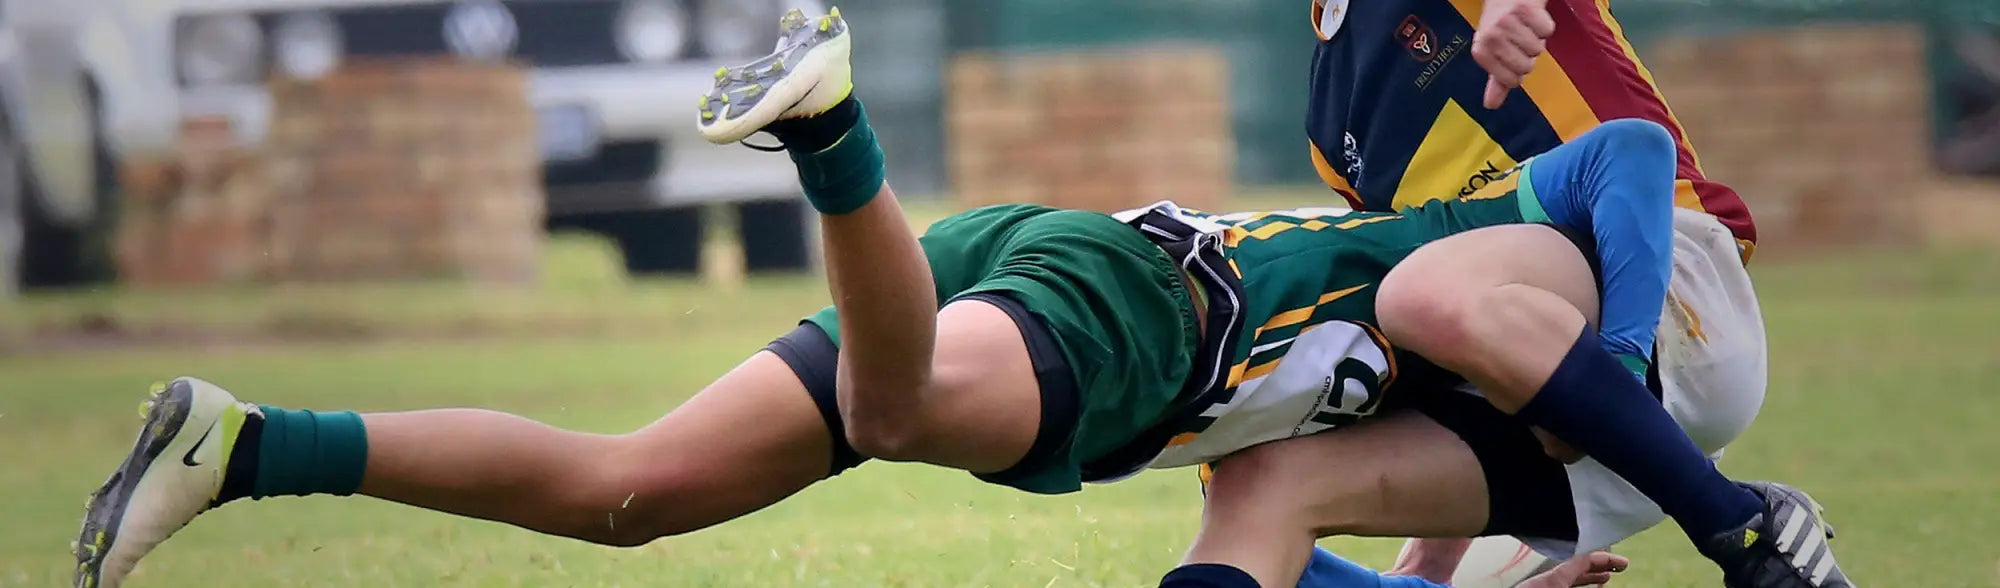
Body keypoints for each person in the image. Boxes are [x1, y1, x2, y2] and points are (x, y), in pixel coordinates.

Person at [69, 10, 1801, 588]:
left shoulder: (1422, 397)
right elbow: (1609, 182)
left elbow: (1291, 524)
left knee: (630, 491)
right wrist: (1725, 518)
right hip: (1141, 314)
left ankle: (242, 441)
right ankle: (835, 133)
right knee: (897, 414)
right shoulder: (1519, 290)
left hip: (1059, 266)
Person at [1201, 0, 1848, 586]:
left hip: (1666, 308)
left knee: (1416, 291)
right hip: (1565, 425)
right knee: (1255, 481)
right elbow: (1454, 331)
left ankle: (1741, 529)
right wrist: (1432, 567)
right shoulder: (1327, 118)